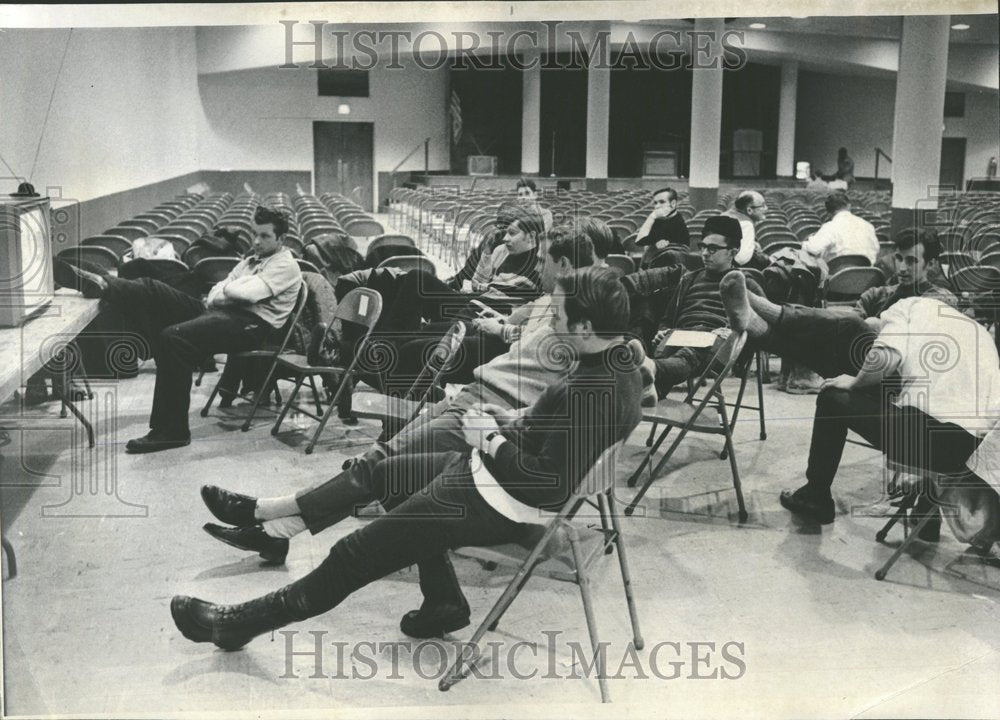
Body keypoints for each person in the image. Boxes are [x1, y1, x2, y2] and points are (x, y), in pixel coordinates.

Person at [171, 267, 643, 648]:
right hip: (489, 477)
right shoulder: (616, 366)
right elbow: (552, 437)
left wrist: (491, 440)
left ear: (585, 327)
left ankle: (237, 624)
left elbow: (549, 486)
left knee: (352, 553)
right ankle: (442, 601)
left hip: (500, 501)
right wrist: (504, 422)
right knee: (384, 474)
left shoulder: (593, 390)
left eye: (559, 316)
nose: (552, 323)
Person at [198, 230, 618, 565]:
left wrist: (502, 423)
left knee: (384, 464)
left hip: (490, 411)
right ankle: (274, 531)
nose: (538, 265)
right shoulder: (553, 304)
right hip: (474, 394)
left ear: (562, 264)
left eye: (544, 259)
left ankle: (267, 515)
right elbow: (534, 355)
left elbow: (587, 386)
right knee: (384, 454)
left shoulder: (581, 322)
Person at [719, 272, 1000, 547]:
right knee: (856, 359)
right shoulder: (979, 334)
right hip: (967, 455)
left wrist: (853, 382)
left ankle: (815, 495)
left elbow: (884, 356)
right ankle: (927, 518)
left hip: (920, 439)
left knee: (834, 393)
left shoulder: (911, 306)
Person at [65, 205, 302, 453]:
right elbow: (214, 295)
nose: (256, 241)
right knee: (152, 288)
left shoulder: (285, 265)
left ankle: (173, 431)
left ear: (281, 239)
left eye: (264, 236)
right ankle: (105, 283)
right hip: (224, 314)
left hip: (251, 327)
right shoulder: (250, 261)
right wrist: (233, 291)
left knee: (172, 338)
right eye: (254, 234)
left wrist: (232, 290)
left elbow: (241, 292)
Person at [624, 215, 763, 399]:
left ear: (733, 251)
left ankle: (650, 371)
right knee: (667, 350)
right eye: (703, 247)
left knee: (690, 353)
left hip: (717, 343)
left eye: (712, 249)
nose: (705, 253)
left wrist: (734, 333)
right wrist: (663, 330)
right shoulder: (690, 278)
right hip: (682, 336)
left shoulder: (747, 284)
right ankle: (650, 390)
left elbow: (760, 327)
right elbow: (668, 317)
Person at [853, 228, 957, 320]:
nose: (902, 268)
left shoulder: (940, 302)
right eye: (899, 258)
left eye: (911, 261)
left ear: (930, 264)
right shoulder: (874, 296)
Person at [801, 192, 879, 265]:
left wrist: (805, 243)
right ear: (849, 206)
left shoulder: (830, 227)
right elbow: (876, 249)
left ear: (828, 213)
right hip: (867, 275)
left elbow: (813, 249)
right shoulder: (867, 225)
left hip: (838, 276)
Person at [635, 187, 690, 268]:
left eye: (662, 202)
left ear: (673, 204)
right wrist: (652, 217)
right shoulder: (659, 219)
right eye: (655, 203)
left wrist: (652, 217)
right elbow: (639, 241)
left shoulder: (678, 222)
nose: (657, 206)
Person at [724, 190, 770, 270]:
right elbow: (741, 259)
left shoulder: (724, 215)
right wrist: (752, 247)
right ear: (749, 210)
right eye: (762, 205)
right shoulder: (746, 224)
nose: (766, 208)